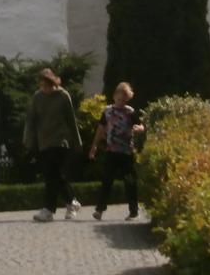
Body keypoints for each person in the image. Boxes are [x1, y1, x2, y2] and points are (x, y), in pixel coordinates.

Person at [22, 67, 81, 222]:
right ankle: (71, 201)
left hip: (60, 141)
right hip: (44, 141)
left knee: (50, 174)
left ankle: (49, 209)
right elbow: (31, 119)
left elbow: (71, 120)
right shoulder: (37, 97)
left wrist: (77, 141)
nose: (45, 89)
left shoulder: (63, 96)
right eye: (41, 86)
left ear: (53, 83)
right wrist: (28, 138)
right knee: (55, 174)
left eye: (47, 85)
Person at [88, 81, 145, 220]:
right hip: (111, 150)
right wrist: (94, 146)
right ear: (114, 96)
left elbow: (141, 126)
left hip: (126, 152)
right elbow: (101, 129)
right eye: (119, 98)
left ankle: (133, 210)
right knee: (107, 180)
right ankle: (100, 210)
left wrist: (139, 129)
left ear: (127, 99)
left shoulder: (130, 112)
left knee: (129, 181)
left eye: (124, 99)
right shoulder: (107, 112)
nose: (121, 102)